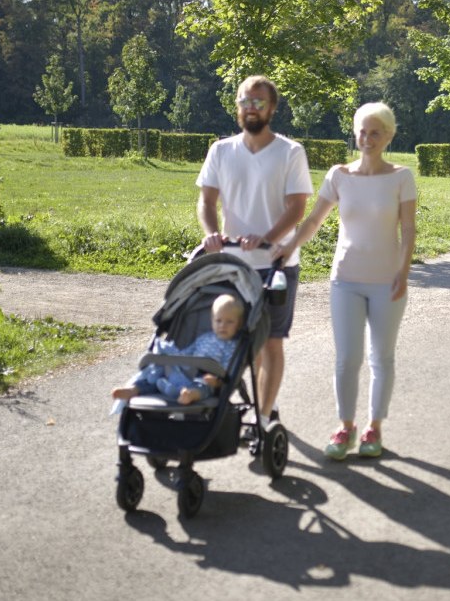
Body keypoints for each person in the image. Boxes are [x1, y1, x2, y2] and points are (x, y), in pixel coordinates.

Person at [274, 102, 417, 460]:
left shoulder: (402, 177)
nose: (367, 139)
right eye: (362, 132)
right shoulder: (339, 175)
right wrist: (288, 246)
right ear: (354, 134)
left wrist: (403, 272)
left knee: (381, 357)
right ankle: (345, 427)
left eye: (375, 132)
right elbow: (313, 222)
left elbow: (409, 229)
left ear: (389, 136)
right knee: (347, 358)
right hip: (345, 281)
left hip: (388, 282)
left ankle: (374, 428)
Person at [196, 75, 313, 429]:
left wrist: (265, 237)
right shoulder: (221, 150)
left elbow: (296, 208)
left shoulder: (290, 152)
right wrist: (212, 233)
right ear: (237, 106)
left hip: (275, 264)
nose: (251, 108)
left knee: (270, 344)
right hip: (231, 264)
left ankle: (264, 416)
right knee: (228, 338)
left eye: (259, 102)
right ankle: (226, 401)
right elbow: (206, 201)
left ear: (272, 108)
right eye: (245, 101)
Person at [111, 294, 244, 405]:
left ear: (239, 324)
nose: (223, 326)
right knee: (156, 373)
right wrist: (173, 358)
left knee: (202, 386)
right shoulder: (204, 338)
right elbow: (187, 353)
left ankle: (190, 395)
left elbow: (230, 368)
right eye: (218, 321)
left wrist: (218, 381)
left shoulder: (234, 346)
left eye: (229, 322)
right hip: (186, 371)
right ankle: (134, 389)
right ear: (212, 320)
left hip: (207, 377)